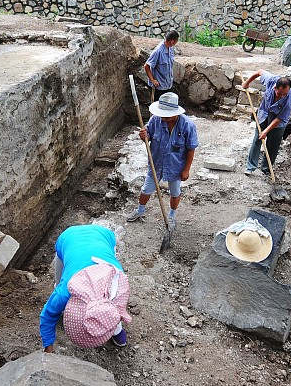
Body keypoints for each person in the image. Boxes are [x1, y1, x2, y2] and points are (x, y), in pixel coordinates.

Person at [40, 224, 130, 353]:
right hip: (68, 238)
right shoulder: (64, 292)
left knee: (113, 306)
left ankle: (117, 331)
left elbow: (117, 310)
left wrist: (115, 327)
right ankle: (59, 305)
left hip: (104, 236)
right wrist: (48, 346)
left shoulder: (118, 283)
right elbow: (47, 315)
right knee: (59, 282)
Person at [126, 92, 198, 228]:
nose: (163, 118)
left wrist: (186, 169)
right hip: (156, 163)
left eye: (167, 116)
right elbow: (148, 135)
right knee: (146, 189)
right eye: (162, 115)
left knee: (175, 192)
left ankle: (171, 215)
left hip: (176, 166)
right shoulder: (155, 120)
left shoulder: (188, 126)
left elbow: (191, 149)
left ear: (175, 112)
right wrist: (144, 135)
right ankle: (140, 210)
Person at [242, 70, 291, 176]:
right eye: (280, 93)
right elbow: (259, 72)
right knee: (257, 139)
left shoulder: (288, 99)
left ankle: (266, 168)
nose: (282, 96)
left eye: (285, 94)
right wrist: (247, 82)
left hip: (278, 122)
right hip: (264, 114)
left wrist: (266, 131)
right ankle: (250, 167)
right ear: (275, 88)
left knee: (272, 145)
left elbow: (279, 118)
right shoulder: (271, 80)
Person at [144, 30, 179, 100]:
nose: (176, 42)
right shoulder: (158, 51)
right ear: (172, 41)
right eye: (176, 40)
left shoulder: (171, 48)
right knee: (158, 108)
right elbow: (146, 66)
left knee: (167, 106)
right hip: (159, 88)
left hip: (168, 85)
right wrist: (152, 80)